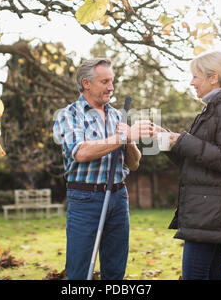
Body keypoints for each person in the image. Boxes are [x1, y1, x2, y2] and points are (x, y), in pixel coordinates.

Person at [153, 51, 221, 280]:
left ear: (213, 77)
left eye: (195, 76)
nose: (191, 82)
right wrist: (172, 142)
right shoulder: (213, 110)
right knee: (215, 272)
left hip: (211, 209)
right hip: (208, 207)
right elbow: (198, 159)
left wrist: (184, 140)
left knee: (195, 275)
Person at [53, 58, 152, 280]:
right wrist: (121, 136)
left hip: (118, 197)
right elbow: (81, 152)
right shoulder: (70, 115)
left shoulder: (118, 116)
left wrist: (129, 141)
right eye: (105, 81)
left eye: (112, 81)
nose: (111, 87)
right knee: (80, 271)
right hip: (85, 199)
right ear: (86, 83)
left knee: (116, 271)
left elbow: (134, 163)